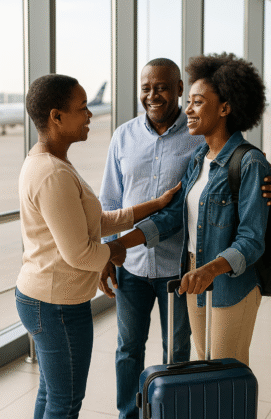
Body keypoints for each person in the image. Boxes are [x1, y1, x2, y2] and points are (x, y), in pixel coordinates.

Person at [99, 58, 271, 418]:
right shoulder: (200, 157)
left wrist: (210, 269)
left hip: (227, 281)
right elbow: (170, 217)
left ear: (225, 107)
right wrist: (119, 245)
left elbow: (252, 239)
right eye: (191, 101)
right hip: (194, 274)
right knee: (204, 374)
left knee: (226, 374)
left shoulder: (250, 163)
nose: (190, 110)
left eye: (198, 101)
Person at [15, 74, 181, 419]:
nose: (89, 114)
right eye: (82, 108)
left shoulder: (51, 162)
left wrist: (152, 204)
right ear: (56, 117)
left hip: (45, 297)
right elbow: (80, 254)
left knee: (51, 393)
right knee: (65, 401)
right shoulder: (53, 174)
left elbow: (95, 221)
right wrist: (117, 251)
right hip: (56, 304)